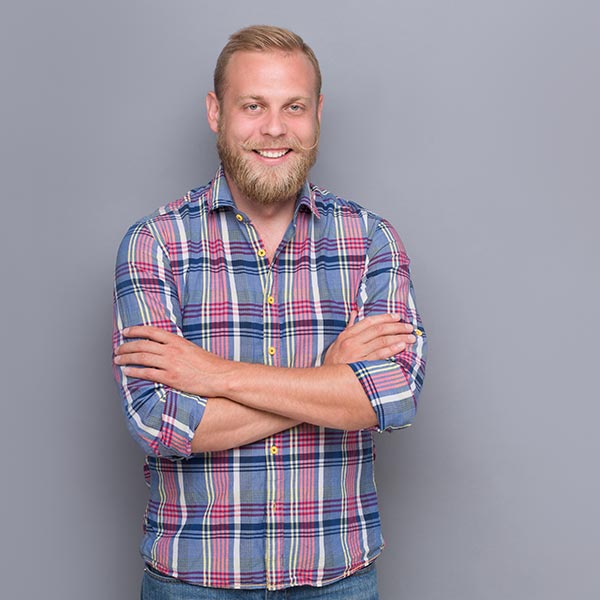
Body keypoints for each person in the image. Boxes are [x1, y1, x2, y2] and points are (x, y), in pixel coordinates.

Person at [113, 25, 426, 600]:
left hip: (337, 580)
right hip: (194, 582)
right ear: (216, 112)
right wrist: (329, 380)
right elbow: (160, 422)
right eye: (253, 105)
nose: (275, 128)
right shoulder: (154, 243)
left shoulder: (370, 240)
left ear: (318, 114)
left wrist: (216, 376)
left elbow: (393, 397)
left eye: (294, 107)